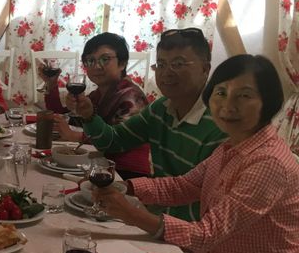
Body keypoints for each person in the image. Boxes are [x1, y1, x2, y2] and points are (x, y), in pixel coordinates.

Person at [93, 55, 299, 253]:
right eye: (221, 93)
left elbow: (205, 234)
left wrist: (132, 215)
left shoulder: (268, 162)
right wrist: (125, 188)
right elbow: (183, 186)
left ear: (270, 103)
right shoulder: (232, 147)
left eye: (244, 95)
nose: (228, 105)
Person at [71, 27, 227, 221]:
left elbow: (204, 203)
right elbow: (113, 142)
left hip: (185, 234)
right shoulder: (160, 108)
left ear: (205, 69)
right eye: (161, 64)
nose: (166, 73)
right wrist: (89, 116)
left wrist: (137, 214)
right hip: (155, 215)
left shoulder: (220, 124)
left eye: (178, 64)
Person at [40, 32, 150, 179]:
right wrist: (51, 85)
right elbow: (66, 118)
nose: (97, 66)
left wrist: (76, 135)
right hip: (100, 165)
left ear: (122, 63)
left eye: (105, 59)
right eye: (90, 60)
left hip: (127, 174)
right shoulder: (98, 94)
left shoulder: (131, 96)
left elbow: (116, 141)